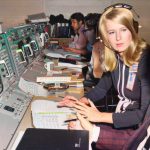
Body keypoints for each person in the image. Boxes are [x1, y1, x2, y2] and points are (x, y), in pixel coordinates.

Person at [58, 3, 150, 150]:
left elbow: (142, 115)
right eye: (112, 32)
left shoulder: (146, 59)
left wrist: (98, 118)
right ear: (105, 37)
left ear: (132, 30)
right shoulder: (115, 57)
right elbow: (101, 88)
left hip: (139, 132)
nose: (118, 38)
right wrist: (80, 102)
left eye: (123, 30)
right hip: (122, 119)